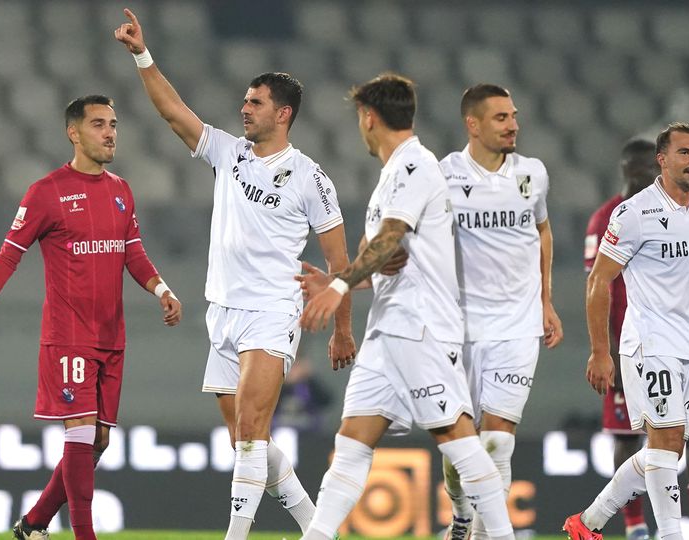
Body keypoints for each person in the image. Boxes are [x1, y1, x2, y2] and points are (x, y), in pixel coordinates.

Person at [113, 9, 357, 540]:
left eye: (255, 102)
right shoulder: (230, 152)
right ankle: (317, 529)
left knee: (250, 433)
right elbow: (175, 114)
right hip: (221, 310)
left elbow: (341, 263)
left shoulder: (312, 179)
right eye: (245, 100)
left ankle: (235, 536)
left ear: (283, 113)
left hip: (272, 311)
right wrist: (142, 55)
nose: (243, 108)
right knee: (247, 438)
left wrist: (342, 330)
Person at [0, 95, 183, 540]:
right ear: (73, 132)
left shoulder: (121, 190)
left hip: (113, 336)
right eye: (98, 124)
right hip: (69, 335)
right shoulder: (46, 192)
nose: (110, 132)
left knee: (95, 443)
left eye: (113, 123)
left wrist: (161, 288)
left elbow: (132, 252)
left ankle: (34, 523)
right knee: (78, 435)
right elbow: (7, 257)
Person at [296, 73, 515, 540]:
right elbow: (386, 258)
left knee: (456, 438)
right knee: (352, 440)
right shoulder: (392, 174)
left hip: (421, 327)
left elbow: (392, 237)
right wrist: (338, 279)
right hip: (388, 329)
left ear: (368, 117)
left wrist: (336, 290)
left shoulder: (415, 166)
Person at [564, 122, 689, 540]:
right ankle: (670, 534)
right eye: (685, 152)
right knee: (663, 445)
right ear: (661, 160)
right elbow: (599, 282)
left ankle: (587, 523)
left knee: (666, 450)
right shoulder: (635, 213)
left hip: (688, 347)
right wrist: (599, 352)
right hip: (647, 343)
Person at [437, 83, 563, 540]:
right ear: (472, 124)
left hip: (518, 324)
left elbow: (543, 232)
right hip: (461, 327)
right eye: (501, 118)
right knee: (460, 452)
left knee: (498, 440)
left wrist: (546, 301)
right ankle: (461, 515)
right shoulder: (443, 175)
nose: (514, 125)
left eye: (514, 116)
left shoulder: (533, 174)